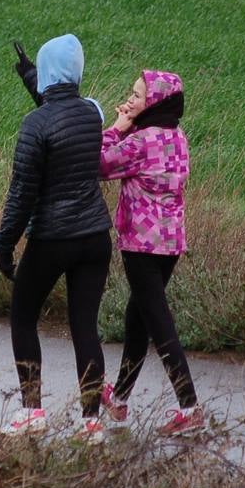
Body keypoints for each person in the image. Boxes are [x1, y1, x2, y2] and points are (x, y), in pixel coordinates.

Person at [0, 34, 113, 445]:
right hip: (95, 236)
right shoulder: (92, 114)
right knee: (85, 327)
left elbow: (21, 193)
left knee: (23, 316)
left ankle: (32, 411)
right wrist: (33, 76)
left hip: (51, 238)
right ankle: (92, 421)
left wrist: (3, 245)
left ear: (47, 75)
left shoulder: (34, 125)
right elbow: (62, 117)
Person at [95, 70, 204, 436]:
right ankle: (120, 398)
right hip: (170, 243)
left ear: (154, 103)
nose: (131, 99)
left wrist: (118, 125)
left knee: (158, 323)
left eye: (138, 95)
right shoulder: (178, 136)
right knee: (138, 317)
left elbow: (98, 163)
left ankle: (189, 406)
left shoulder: (142, 140)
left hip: (141, 244)